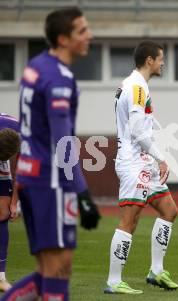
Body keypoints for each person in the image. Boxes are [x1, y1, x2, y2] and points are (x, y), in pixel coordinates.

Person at [0, 7, 100, 301]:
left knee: (51, 269)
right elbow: (63, 140)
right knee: (58, 270)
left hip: (30, 180)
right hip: (49, 182)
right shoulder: (59, 78)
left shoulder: (35, 66)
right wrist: (81, 192)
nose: (89, 35)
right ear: (63, 39)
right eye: (81, 31)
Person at [104, 40, 178, 294]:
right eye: (160, 59)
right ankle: (114, 282)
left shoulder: (134, 84)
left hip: (143, 161)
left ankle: (156, 271)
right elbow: (136, 131)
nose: (163, 63)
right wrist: (161, 157)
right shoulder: (136, 87)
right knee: (129, 220)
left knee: (169, 210)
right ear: (150, 61)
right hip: (135, 162)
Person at [0, 114, 20, 292]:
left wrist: (14, 202)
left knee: (4, 213)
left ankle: (0, 277)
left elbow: (22, 171)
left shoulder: (27, 138)